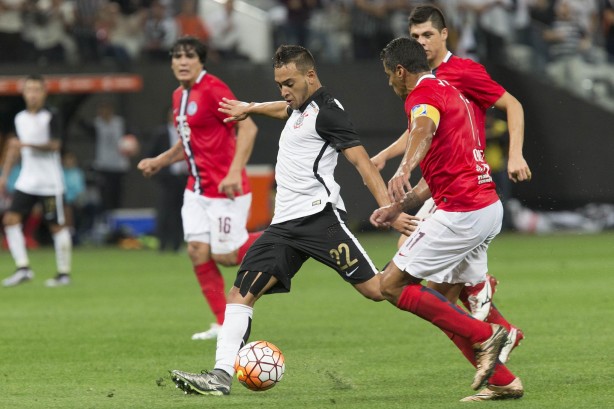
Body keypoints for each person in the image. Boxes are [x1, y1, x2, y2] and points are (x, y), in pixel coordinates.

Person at [169, 44, 415, 396]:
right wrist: (250, 107)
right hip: (283, 227)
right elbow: (282, 108)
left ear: (310, 75)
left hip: (320, 221)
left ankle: (430, 272)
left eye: (289, 82)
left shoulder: (329, 111)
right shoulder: (298, 107)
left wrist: (390, 211)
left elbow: (361, 164)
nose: (284, 91)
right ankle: (220, 376)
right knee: (240, 294)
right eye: (279, 84)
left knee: (377, 290)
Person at [370, 4, 531, 363]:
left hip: (462, 183)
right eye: (415, 36)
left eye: (428, 34)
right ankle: (493, 333)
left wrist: (516, 153)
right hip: (443, 181)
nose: (422, 42)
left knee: (409, 272)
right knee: (435, 283)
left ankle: (483, 303)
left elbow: (512, 105)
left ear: (445, 34)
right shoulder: (422, 80)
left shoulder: (463, 72)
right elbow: (420, 128)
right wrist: (386, 155)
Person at [138, 36, 261, 340]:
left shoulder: (213, 89)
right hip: (197, 189)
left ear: (201, 61)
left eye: (189, 56)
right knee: (197, 251)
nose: (182, 61)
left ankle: (286, 239)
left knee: (227, 256)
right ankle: (222, 323)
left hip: (226, 189)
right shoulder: (179, 95)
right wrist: (161, 161)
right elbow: (189, 140)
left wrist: (234, 172)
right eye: (177, 56)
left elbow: (248, 126)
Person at [0, 75, 73, 287]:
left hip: (49, 183)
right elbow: (14, 149)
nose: (32, 94)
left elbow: (55, 145)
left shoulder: (51, 116)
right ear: (23, 93)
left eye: (36, 90)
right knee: (10, 220)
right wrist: (4, 176)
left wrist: (27, 145)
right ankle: (23, 268)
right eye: (29, 90)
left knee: (56, 226)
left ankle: (63, 273)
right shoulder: (20, 118)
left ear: (44, 93)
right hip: (27, 181)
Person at [147, 107, 188, 252]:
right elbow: (153, 153)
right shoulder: (161, 133)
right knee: (165, 210)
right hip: (167, 178)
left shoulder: (188, 131)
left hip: (184, 177)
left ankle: (178, 243)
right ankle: (162, 243)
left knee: (181, 211)